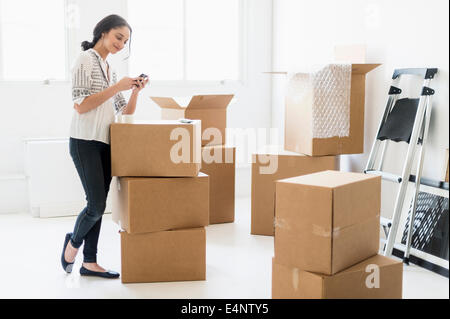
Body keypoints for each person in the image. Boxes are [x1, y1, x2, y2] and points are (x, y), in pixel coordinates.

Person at [60, 14, 149, 279]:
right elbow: (81, 104)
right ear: (103, 32)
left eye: (125, 41)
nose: (121, 44)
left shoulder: (110, 69)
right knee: (96, 205)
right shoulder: (85, 59)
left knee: (97, 203)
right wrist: (117, 87)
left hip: (106, 143)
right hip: (85, 140)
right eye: (118, 37)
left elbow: (125, 111)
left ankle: (90, 262)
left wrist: (134, 90)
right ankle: (72, 245)